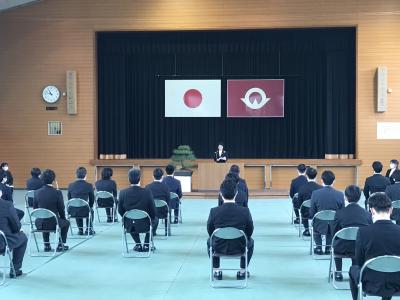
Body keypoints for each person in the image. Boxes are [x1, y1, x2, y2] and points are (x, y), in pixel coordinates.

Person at [349, 193, 400, 300]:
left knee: (353, 268)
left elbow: (359, 261)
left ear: (371, 210)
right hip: (397, 283)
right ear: (391, 210)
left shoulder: (363, 232)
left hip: (371, 283)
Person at [207, 178, 254, 280]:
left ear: (221, 194)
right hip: (240, 246)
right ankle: (242, 271)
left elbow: (210, 232)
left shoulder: (214, 211)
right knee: (251, 241)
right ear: (236, 193)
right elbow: (250, 231)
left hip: (219, 246)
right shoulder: (245, 211)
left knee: (208, 241)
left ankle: (217, 270)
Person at [332, 185, 372, 281]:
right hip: (361, 249)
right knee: (357, 243)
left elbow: (334, 233)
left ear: (345, 197)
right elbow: (370, 232)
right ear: (359, 197)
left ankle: (338, 273)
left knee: (336, 243)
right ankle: (355, 272)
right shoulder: (367, 214)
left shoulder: (339, 213)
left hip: (342, 248)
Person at [118, 168, 156, 252]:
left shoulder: (122, 192)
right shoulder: (147, 192)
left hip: (129, 224)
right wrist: (151, 217)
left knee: (129, 219)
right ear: (140, 178)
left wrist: (127, 216)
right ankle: (146, 244)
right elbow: (153, 210)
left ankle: (138, 244)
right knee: (154, 219)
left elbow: (120, 210)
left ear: (128, 179)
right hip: (145, 223)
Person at [33, 169, 69, 252]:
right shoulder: (57, 193)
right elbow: (61, 209)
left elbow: (35, 209)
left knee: (44, 217)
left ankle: (47, 245)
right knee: (66, 223)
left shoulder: (36, 192)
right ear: (53, 180)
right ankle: (60, 245)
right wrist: (63, 218)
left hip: (39, 223)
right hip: (53, 223)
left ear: (42, 180)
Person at [310, 170, 344, 255]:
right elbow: (342, 212)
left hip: (319, 223)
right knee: (331, 224)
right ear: (334, 181)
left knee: (316, 223)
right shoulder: (340, 194)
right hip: (334, 223)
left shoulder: (315, 193)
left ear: (322, 180)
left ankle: (318, 247)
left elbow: (312, 211)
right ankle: (328, 247)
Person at [0, 191, 28, 278]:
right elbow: (16, 225)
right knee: (23, 238)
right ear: (0, 193)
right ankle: (15, 269)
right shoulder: (7, 205)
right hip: (2, 242)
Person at [67, 167, 95, 235]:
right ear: (85, 175)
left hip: (72, 210)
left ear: (76, 175)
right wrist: (90, 206)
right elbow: (92, 199)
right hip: (85, 210)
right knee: (90, 210)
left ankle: (80, 230)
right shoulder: (89, 185)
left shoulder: (70, 185)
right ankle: (88, 229)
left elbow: (69, 198)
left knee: (76, 205)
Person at [295, 167, 322, 237]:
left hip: (306, 213)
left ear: (306, 175)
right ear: (316, 176)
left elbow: (299, 204)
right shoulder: (321, 188)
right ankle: (319, 230)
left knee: (303, 209)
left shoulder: (302, 187)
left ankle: (307, 229)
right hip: (319, 213)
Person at [146, 168, 170, 236]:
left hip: (150, 212)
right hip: (163, 211)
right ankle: (166, 231)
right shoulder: (165, 187)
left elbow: (146, 200)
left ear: (153, 176)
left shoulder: (147, 187)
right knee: (167, 208)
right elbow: (168, 200)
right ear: (162, 177)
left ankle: (152, 231)